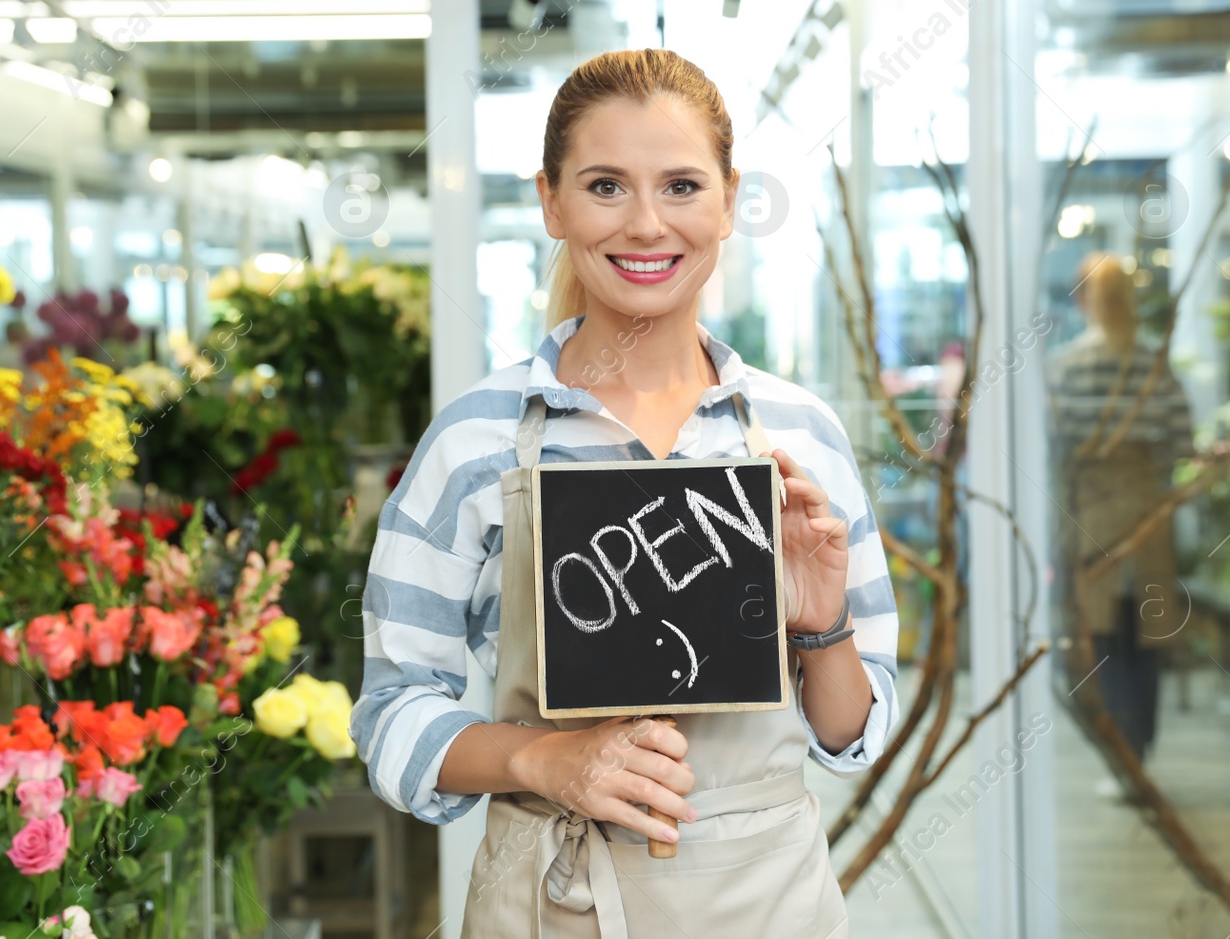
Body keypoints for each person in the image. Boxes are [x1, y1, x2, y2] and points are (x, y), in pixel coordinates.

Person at [350, 49, 900, 937]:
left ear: (728, 200)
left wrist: (822, 626)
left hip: (773, 905)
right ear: (551, 202)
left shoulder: (801, 437)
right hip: (553, 900)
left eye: (681, 186)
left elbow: (851, 732)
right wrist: (544, 757)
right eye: (606, 186)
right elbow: (392, 715)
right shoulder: (473, 441)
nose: (647, 224)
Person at [1047, 252, 1194, 768]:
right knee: (1145, 634)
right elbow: (1182, 443)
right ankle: (1140, 752)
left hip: (1090, 516)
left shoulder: (1066, 366)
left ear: (1085, 297)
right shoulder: (1155, 363)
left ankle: (1120, 755)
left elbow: (1055, 450)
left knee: (1102, 635)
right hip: (1148, 514)